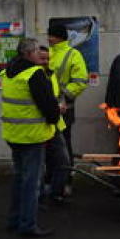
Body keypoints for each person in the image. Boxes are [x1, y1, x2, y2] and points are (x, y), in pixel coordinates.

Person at [1, 38, 61, 237]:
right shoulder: (34, 74)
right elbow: (48, 106)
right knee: (32, 183)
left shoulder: (9, 73)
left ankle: (14, 220)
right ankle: (27, 224)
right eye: (36, 51)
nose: (39, 55)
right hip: (32, 137)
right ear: (28, 54)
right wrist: (56, 114)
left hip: (14, 135)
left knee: (19, 179)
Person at [48, 24, 88, 195]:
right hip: (47, 108)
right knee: (49, 147)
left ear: (59, 37)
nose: (48, 38)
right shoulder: (47, 53)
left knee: (64, 147)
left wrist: (63, 97)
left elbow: (80, 81)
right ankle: (51, 181)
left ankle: (65, 183)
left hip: (65, 109)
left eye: (51, 35)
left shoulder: (73, 54)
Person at [38, 46, 71, 205]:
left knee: (63, 161)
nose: (46, 62)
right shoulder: (33, 78)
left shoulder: (51, 75)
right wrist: (55, 107)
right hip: (40, 127)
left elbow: (58, 96)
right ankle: (41, 196)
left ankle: (55, 192)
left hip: (55, 125)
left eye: (47, 59)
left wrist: (61, 103)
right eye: (42, 59)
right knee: (40, 165)